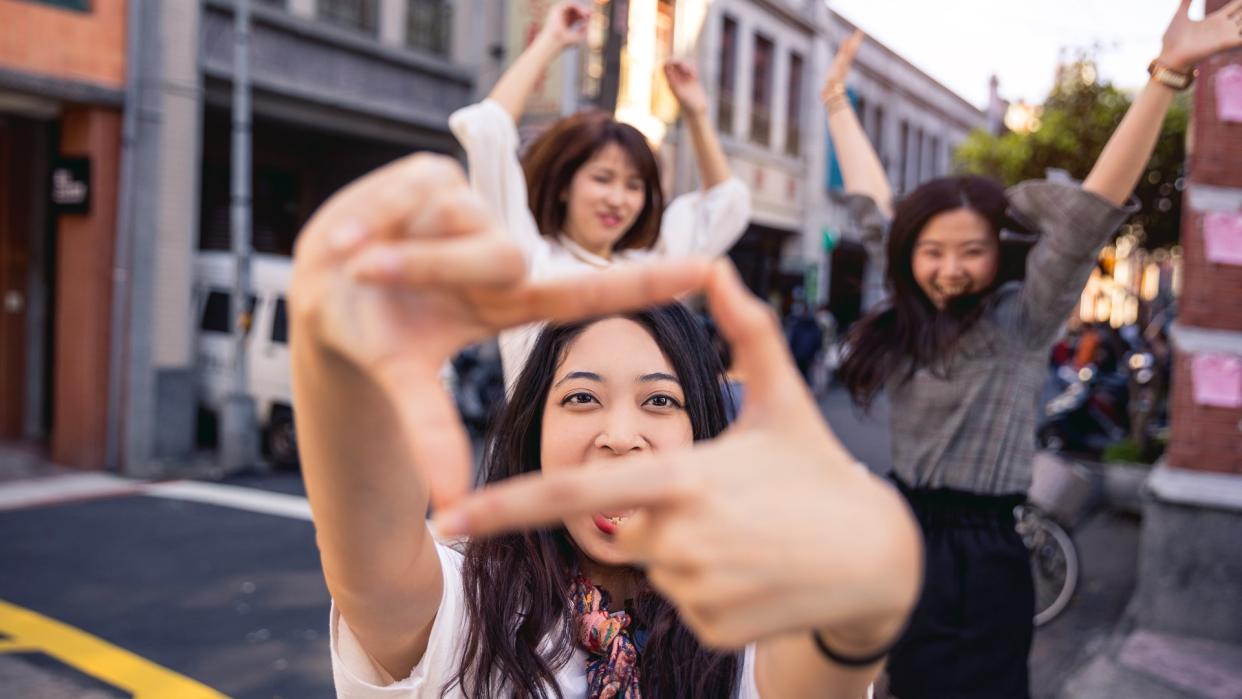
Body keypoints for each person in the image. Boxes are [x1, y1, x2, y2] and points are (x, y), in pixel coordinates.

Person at [288, 152, 921, 698]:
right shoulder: (463, 606)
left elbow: (815, 672)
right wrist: (339, 363)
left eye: (660, 402)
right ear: (533, 427)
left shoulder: (752, 616)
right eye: (582, 399)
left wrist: (864, 590)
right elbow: (370, 553)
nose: (620, 435)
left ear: (703, 433)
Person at [822, 5, 1242, 697]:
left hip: (983, 553)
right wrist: (837, 101)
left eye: (970, 252)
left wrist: (1166, 75)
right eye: (932, 251)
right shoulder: (905, 309)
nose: (949, 268)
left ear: (999, 255)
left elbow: (1086, 218)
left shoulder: (1024, 315)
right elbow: (873, 206)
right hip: (894, 531)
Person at [448, 1, 751, 388]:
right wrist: (551, 40)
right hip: (542, 449)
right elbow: (487, 133)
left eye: (633, 185)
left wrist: (696, 115)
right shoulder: (529, 260)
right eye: (603, 178)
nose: (617, 199)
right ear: (562, 187)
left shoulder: (650, 267)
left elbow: (726, 205)